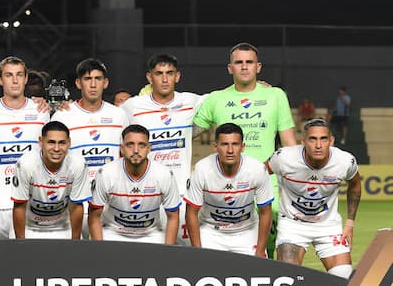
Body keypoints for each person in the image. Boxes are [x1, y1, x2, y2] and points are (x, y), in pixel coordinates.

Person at [193, 42, 297, 259]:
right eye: (238, 62)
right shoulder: (216, 99)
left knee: (279, 233)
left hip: (269, 177)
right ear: (230, 68)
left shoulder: (276, 95)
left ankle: (279, 279)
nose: (244, 67)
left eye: (249, 62)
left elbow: (289, 145)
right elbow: (187, 132)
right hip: (227, 181)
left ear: (258, 67)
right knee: (233, 238)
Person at [121, 53, 207, 245]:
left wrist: (257, 87)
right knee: (150, 256)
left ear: (178, 76)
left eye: (170, 73)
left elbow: (223, 99)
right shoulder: (132, 106)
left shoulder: (191, 101)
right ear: (149, 78)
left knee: (187, 254)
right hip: (146, 194)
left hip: (182, 194)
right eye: (159, 73)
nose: (165, 79)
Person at [265, 119, 361, 279]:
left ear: (331, 141)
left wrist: (350, 223)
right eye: (312, 139)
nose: (318, 145)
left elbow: (355, 184)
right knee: (287, 279)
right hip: (292, 224)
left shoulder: (344, 161)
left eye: (323, 139)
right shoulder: (284, 158)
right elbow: (258, 174)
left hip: (328, 226)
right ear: (303, 141)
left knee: (344, 278)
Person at [0, 56, 50, 239]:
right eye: (9, 75)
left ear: (26, 78)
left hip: (32, 204)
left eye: (19, 75)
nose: (14, 81)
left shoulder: (41, 111)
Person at [51, 58, 128, 238]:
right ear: (78, 83)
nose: (93, 84)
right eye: (87, 79)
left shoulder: (119, 116)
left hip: (110, 204)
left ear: (105, 83)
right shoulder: (63, 116)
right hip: (73, 203)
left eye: (98, 79)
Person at [184, 123, 273, 257]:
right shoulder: (201, 169)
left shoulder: (257, 169)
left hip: (247, 230)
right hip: (211, 231)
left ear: (242, 147)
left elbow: (265, 212)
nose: (230, 150)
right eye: (224, 144)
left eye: (235, 144)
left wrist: (260, 251)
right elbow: (191, 213)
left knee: (259, 273)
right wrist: (198, 252)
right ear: (215, 147)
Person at [88, 124, 181, 244]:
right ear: (122, 149)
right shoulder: (105, 173)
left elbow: (173, 217)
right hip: (114, 233)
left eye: (141, 145)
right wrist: (100, 251)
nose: (136, 150)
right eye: (130, 145)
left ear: (149, 148)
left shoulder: (164, 174)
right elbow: (94, 217)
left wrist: (167, 252)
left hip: (151, 233)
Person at [11, 121, 91, 239]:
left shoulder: (78, 164)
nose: (57, 148)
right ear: (41, 142)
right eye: (51, 142)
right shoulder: (26, 163)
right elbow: (19, 206)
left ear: (69, 143)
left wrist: (75, 242)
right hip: (29, 226)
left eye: (62, 143)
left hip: (63, 226)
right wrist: (21, 243)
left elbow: (76, 206)